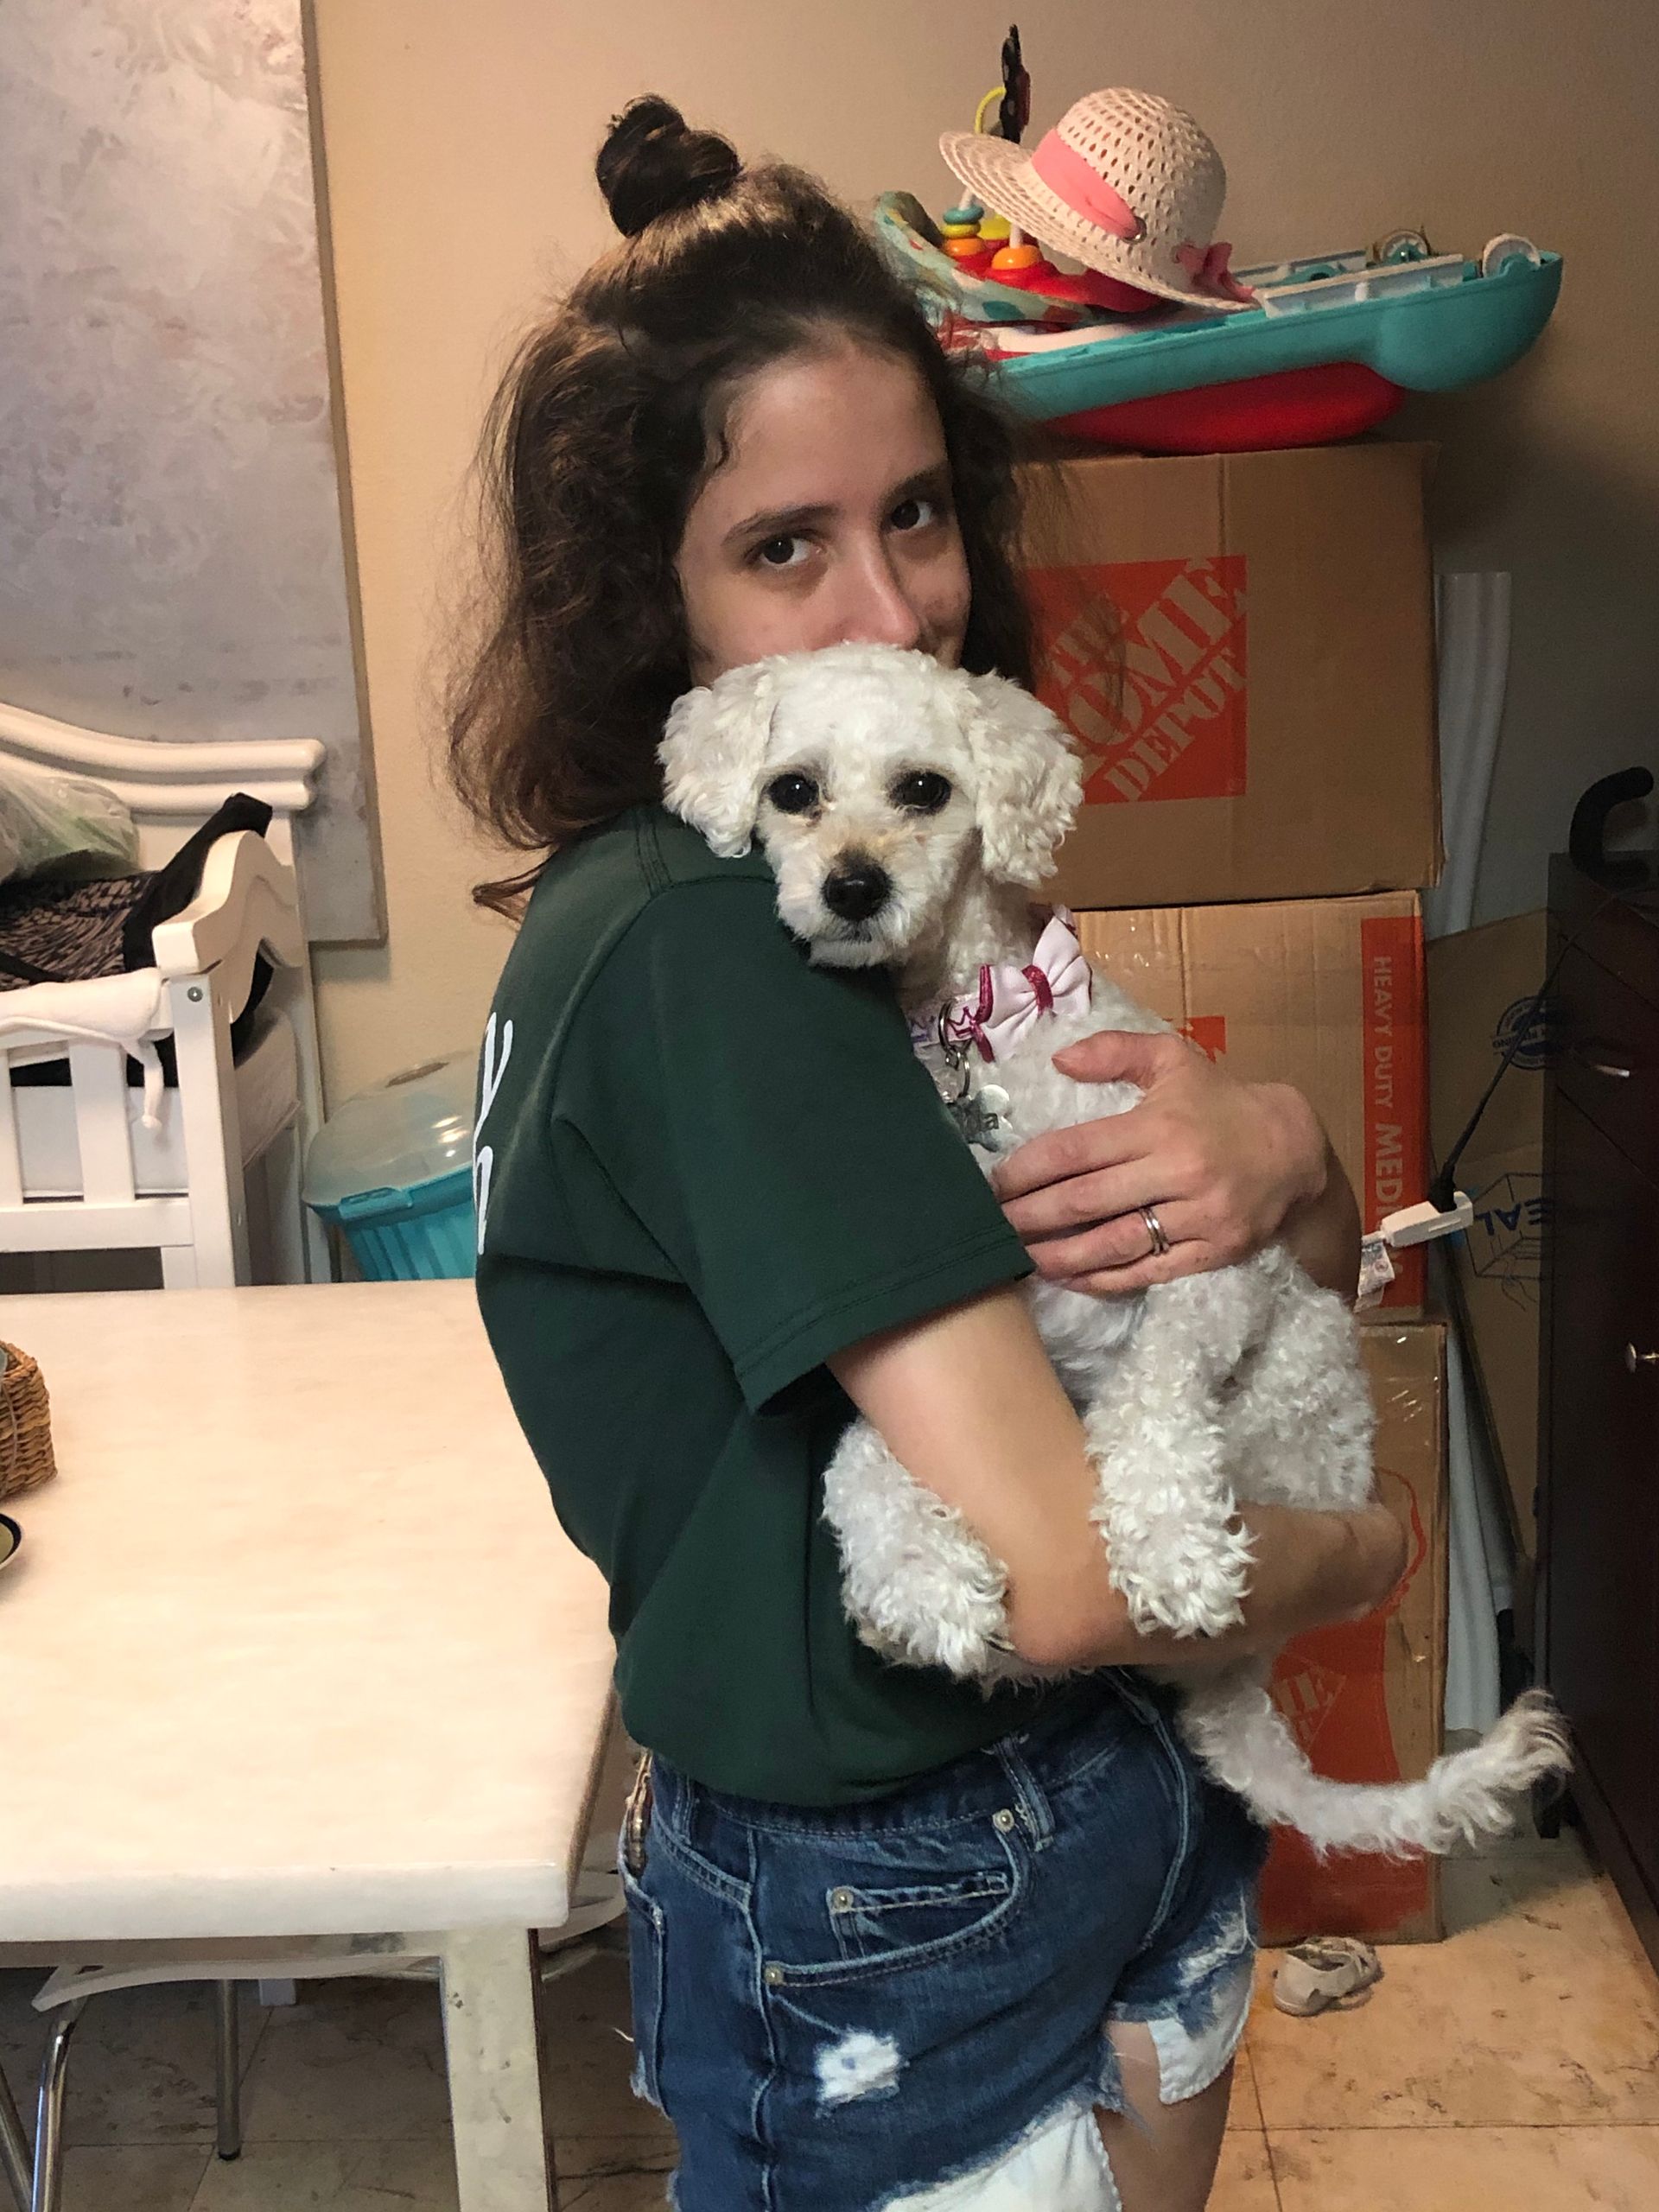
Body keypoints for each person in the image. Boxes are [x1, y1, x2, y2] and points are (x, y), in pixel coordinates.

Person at [452, 96, 1407, 2212]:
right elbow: (1071, 1576)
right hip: (910, 1863)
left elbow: (1242, 1292)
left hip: (1094, 1791)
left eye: (915, 515)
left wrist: (1284, 1150)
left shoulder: (889, 900)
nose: (891, 608)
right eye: (783, 547)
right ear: (641, 593)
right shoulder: (721, 942)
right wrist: (1372, 1553)